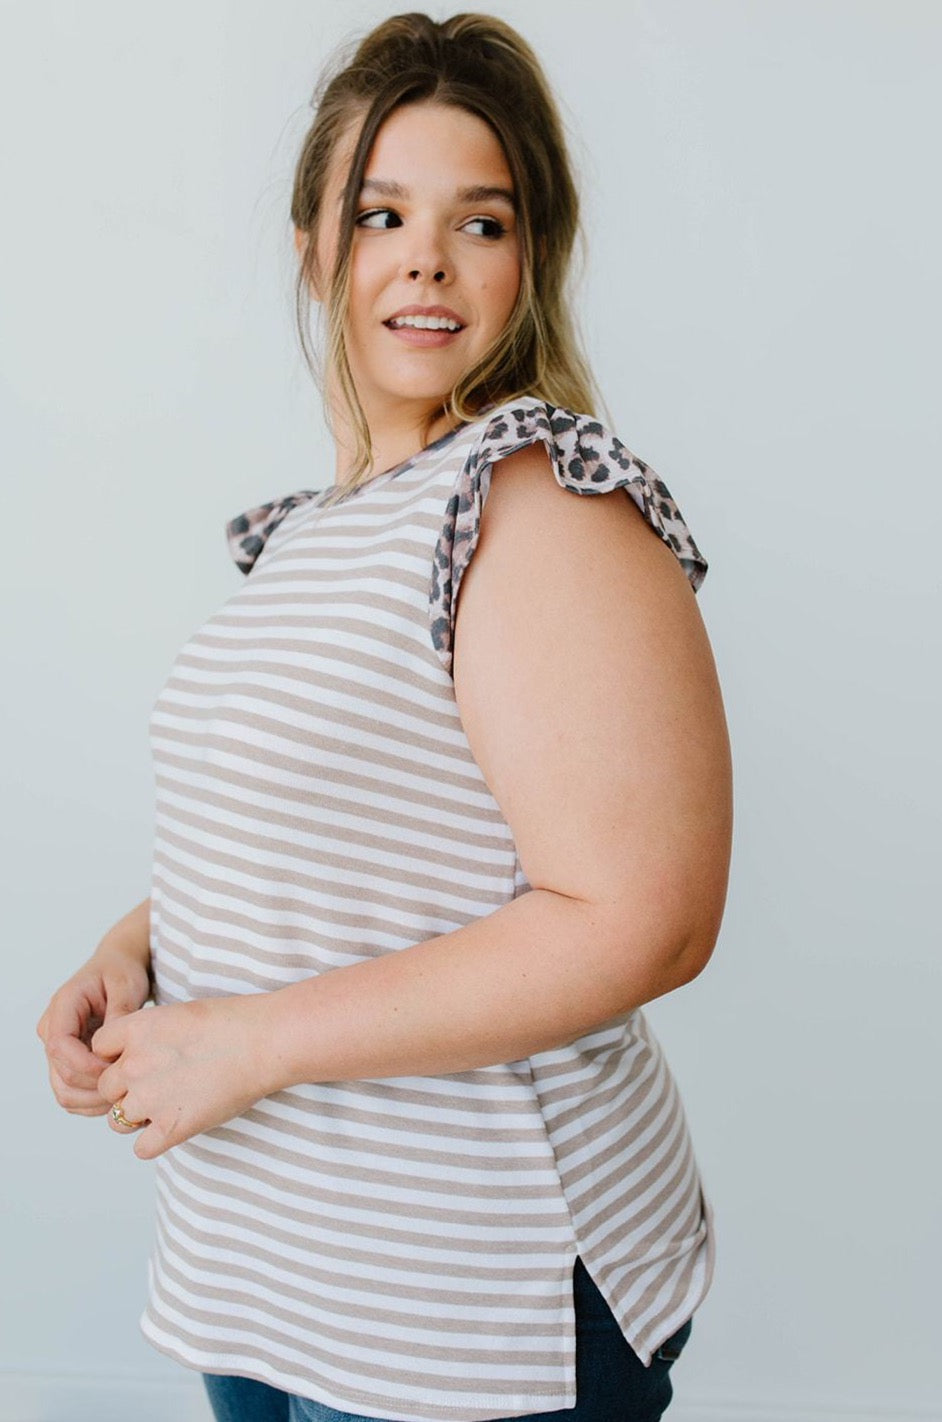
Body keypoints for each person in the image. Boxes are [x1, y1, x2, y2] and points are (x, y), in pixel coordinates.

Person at [36, 12, 732, 1422]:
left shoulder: (539, 498)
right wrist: (137, 949)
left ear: (531, 257)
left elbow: (644, 914)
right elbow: (332, 833)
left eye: (480, 220)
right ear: (315, 242)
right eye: (381, 212)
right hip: (277, 1261)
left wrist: (251, 1042)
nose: (425, 255)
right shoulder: (317, 531)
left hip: (469, 1299)